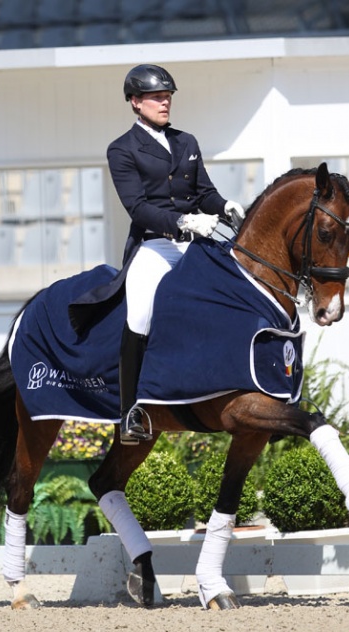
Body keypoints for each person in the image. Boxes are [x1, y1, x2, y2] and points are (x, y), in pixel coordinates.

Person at [108, 63, 245, 443]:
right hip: (155, 244)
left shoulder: (187, 142)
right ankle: (130, 413)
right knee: (140, 314)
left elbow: (204, 192)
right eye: (155, 96)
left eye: (167, 95)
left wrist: (226, 205)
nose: (164, 101)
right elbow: (137, 207)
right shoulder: (121, 149)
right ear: (135, 102)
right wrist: (184, 222)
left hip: (196, 242)